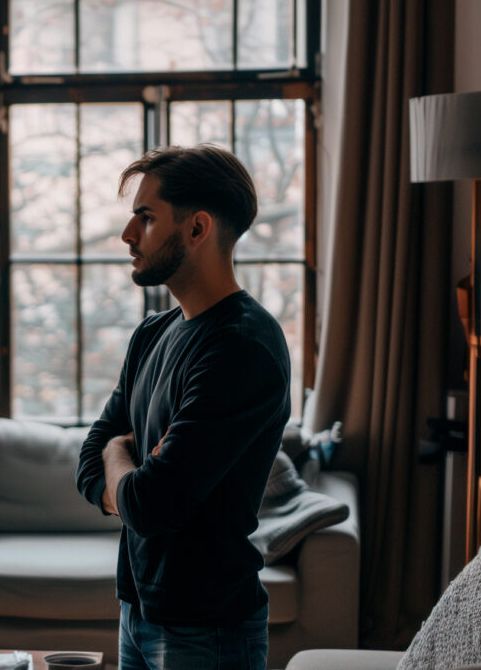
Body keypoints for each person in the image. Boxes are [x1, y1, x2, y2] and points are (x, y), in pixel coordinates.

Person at [76, 145, 291, 670]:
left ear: (197, 229)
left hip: (208, 629)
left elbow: (153, 506)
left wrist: (121, 467)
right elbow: (89, 465)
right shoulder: (152, 333)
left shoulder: (242, 347)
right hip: (136, 610)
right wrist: (123, 463)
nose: (128, 235)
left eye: (145, 218)